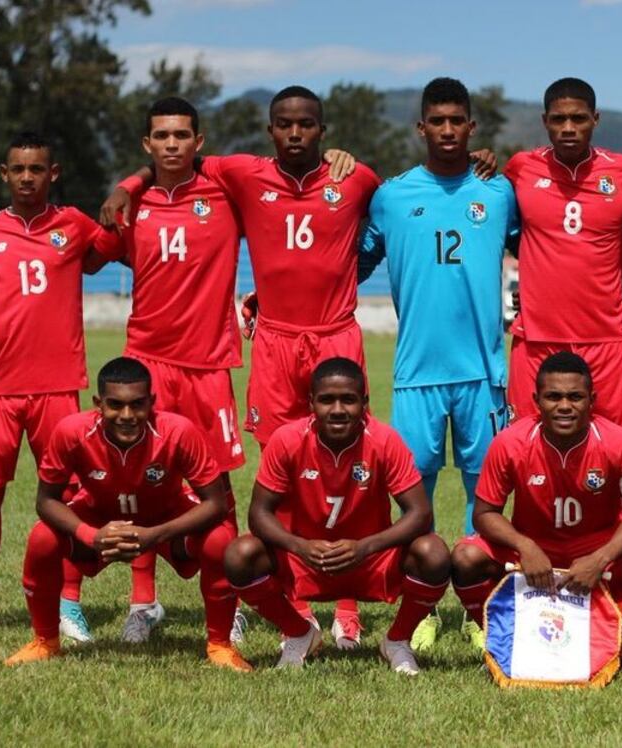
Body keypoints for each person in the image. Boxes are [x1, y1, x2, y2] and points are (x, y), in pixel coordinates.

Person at [100, 89, 369, 647]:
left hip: (277, 349)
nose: (295, 133)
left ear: (322, 129)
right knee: (166, 474)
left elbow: (381, 229)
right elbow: (166, 165)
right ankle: (154, 602)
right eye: (284, 125)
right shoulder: (239, 176)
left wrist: (343, 158)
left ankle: (344, 606)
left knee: (340, 469)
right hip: (242, 348)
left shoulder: (357, 178)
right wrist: (126, 184)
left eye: (307, 125)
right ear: (269, 131)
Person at [359, 77, 518, 649]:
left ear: (472, 128)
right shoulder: (392, 196)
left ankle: (484, 614)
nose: (448, 131)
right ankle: (419, 606)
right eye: (437, 121)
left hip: (484, 375)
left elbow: (544, 249)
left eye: (458, 121)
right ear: (420, 127)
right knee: (414, 496)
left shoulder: (498, 192)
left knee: (487, 500)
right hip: (417, 375)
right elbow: (346, 263)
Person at [0, 131, 121, 642]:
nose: (27, 177)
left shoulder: (74, 225)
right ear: (4, 174)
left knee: (70, 498)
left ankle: (69, 605)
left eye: (37, 169)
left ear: (53, 173)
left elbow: (117, 247)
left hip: (59, 390)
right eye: (18, 169)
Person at [91, 96, 251, 644]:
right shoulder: (130, 208)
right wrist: (126, 188)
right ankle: (144, 603)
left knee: (220, 484)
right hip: (148, 365)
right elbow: (87, 256)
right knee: (138, 480)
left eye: (182, 134)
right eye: (161, 136)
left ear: (199, 141)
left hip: (208, 365)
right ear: (147, 144)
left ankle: (232, 592)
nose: (172, 144)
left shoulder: (227, 192)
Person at [4, 357, 250, 671]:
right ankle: (45, 641)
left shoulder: (178, 431)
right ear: (98, 403)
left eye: (137, 404)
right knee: (42, 539)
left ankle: (219, 645)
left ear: (153, 402)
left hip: (164, 523)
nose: (127, 415)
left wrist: (156, 535)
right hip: (100, 523)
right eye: (115, 405)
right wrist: (90, 536)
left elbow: (216, 503)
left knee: (220, 540)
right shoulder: (71, 432)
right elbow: (46, 501)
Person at [451, 352, 622, 677]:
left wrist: (600, 559)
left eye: (575, 397)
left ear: (592, 399)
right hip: (532, 554)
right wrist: (525, 547)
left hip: (600, 556)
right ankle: (501, 645)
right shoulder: (509, 444)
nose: (565, 406)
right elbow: (485, 513)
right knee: (465, 556)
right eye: (553, 397)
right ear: (536, 400)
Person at [223, 358, 451, 676]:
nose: (338, 409)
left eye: (349, 399)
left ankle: (397, 641)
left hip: (370, 561)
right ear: (311, 403)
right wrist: (300, 546)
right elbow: (259, 513)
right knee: (239, 554)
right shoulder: (287, 440)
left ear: (365, 403)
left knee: (434, 553)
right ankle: (299, 633)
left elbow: (420, 513)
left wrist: (366, 547)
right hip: (307, 561)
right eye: (327, 400)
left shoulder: (385, 440)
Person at [502, 78, 622, 436]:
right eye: (558, 119)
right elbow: (501, 226)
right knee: (526, 444)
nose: (568, 128)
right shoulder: (521, 168)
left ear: (595, 119)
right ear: (544, 121)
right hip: (537, 336)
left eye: (578, 119)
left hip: (604, 337)